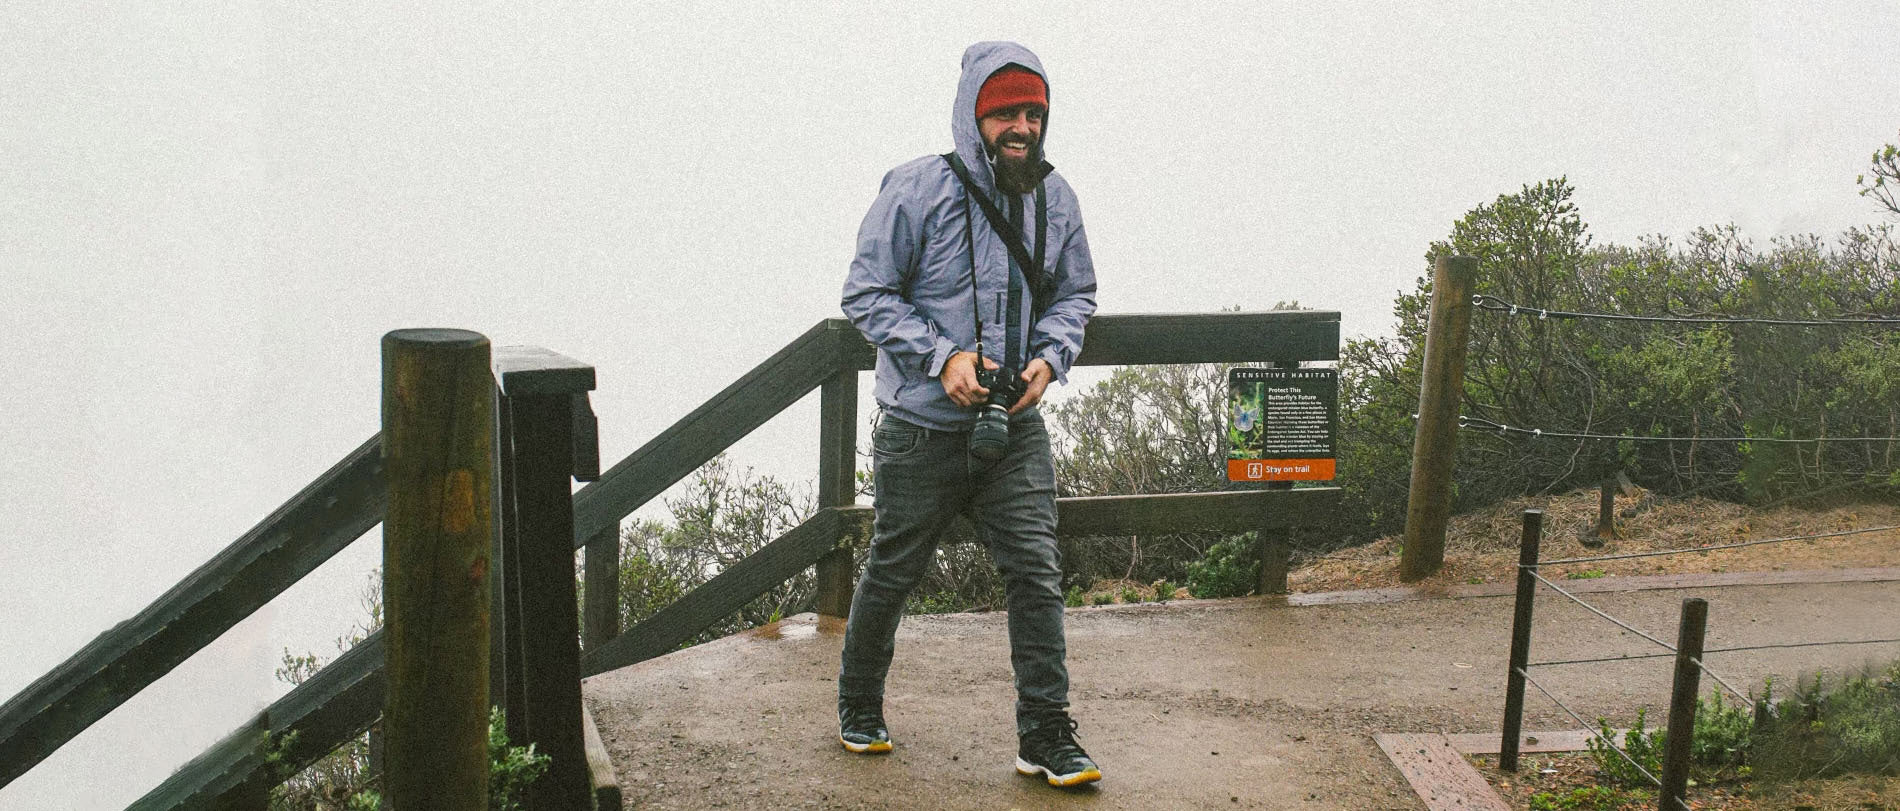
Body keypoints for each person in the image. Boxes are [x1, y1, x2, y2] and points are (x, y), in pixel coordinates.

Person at [836, 41, 1100, 788]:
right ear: (974, 117)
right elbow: (865, 292)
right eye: (1005, 112)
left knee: (1037, 574)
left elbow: (1076, 294)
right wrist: (940, 355)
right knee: (892, 569)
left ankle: (1046, 732)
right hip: (920, 429)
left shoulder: (1057, 199)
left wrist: (1049, 358)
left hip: (1012, 427)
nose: (1021, 125)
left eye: (1032, 112)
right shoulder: (916, 189)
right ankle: (859, 703)